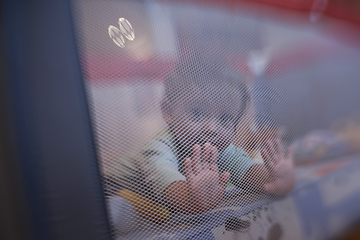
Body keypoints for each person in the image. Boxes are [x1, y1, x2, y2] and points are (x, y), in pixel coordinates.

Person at [110, 59, 295, 217]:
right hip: (115, 186)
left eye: (225, 118)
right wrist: (191, 198)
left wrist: (273, 177)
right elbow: (166, 179)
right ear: (169, 112)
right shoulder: (160, 148)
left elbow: (246, 170)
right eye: (197, 113)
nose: (212, 128)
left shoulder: (219, 149)